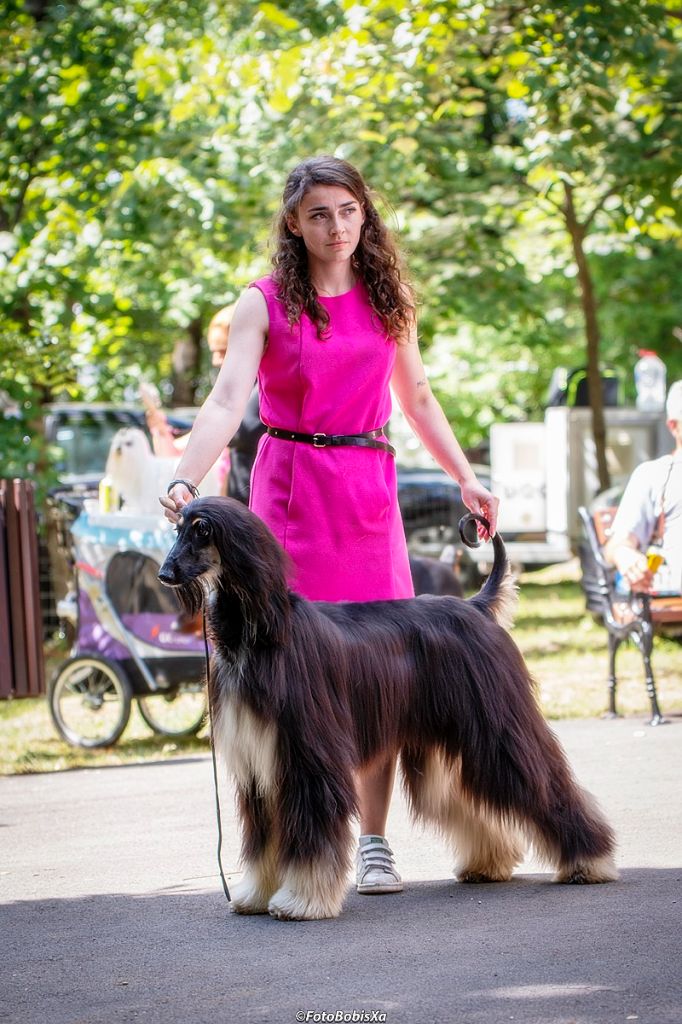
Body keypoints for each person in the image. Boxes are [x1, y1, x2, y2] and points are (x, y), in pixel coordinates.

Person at [160, 155, 499, 896]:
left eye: (347, 210)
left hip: (368, 494)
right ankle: (290, 844)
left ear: (363, 213)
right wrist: (186, 476)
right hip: (288, 499)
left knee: (380, 675)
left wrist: (467, 477)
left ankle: (371, 844)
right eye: (319, 214)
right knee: (288, 681)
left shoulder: (390, 299)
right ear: (294, 223)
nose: (336, 226)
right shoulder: (262, 303)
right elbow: (224, 400)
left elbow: (419, 400)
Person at [144, 306, 265, 501]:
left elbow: (229, 429)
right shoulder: (239, 393)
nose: (217, 361)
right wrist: (163, 432)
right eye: (213, 352)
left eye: (224, 351)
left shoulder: (262, 392)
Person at [605, 380, 682, 596]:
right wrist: (626, 557)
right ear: (674, 426)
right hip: (671, 590)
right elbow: (617, 545)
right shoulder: (654, 475)